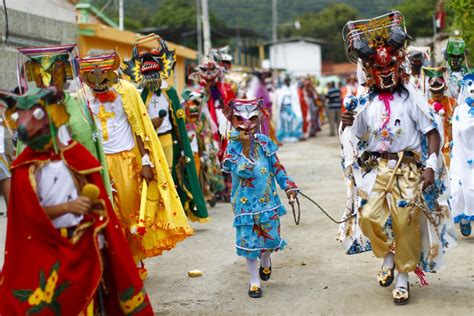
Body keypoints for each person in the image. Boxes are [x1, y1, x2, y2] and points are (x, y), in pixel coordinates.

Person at [0, 87, 153, 314]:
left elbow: (102, 210)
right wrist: (66, 207)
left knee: (93, 301)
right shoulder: (24, 169)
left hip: (85, 244)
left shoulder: (78, 157)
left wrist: (96, 218)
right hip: (48, 250)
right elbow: (26, 217)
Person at [339, 11, 456, 305]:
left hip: (407, 168)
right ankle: (388, 255)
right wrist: (347, 121)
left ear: (399, 64)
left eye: (390, 64)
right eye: (378, 67)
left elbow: (432, 131)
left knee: (404, 219)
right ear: (369, 70)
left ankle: (402, 278)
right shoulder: (365, 101)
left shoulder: (412, 96)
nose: (386, 72)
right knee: (368, 218)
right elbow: (357, 135)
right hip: (377, 168)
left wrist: (430, 166)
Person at [77, 52, 193, 279]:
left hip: (128, 161)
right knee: (108, 215)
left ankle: (136, 262)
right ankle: (111, 264)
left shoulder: (127, 91)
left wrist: (146, 161)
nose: (99, 82)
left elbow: (139, 127)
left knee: (132, 214)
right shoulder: (81, 96)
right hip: (99, 162)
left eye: (103, 76)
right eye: (93, 76)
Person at [122, 34, 208, 222]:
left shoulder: (170, 92)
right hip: (149, 142)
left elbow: (178, 120)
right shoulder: (139, 94)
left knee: (167, 174)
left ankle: (173, 214)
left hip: (168, 139)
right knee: (152, 176)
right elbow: (135, 121)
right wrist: (149, 124)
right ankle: (155, 214)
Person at [222, 98, 298, 298]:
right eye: (240, 118)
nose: (247, 124)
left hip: (268, 202)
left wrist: (288, 187)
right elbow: (243, 172)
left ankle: (266, 259)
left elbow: (277, 168)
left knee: (269, 241)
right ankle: (254, 281)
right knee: (249, 244)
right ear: (233, 119)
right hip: (245, 206)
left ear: (259, 119)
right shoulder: (231, 148)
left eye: (252, 118)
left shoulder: (265, 143)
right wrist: (245, 148)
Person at [16, 44, 113, 198]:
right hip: (43, 186)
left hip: (77, 185)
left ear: (65, 74)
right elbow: (25, 159)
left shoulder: (78, 107)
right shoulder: (30, 113)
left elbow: (89, 150)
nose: (48, 82)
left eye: (55, 73)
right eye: (41, 75)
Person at [450, 72, 474, 236]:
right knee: (461, 190)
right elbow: (460, 130)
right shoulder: (460, 110)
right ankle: (465, 217)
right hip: (463, 155)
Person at [423, 67, 457, 167]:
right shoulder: (426, 106)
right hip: (433, 150)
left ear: (444, 89)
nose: (437, 94)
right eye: (434, 92)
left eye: (439, 91)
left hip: (451, 149)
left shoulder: (453, 103)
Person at [275, 76, 303, 142]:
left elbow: (294, 100)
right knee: (284, 123)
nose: (287, 82)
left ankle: (291, 135)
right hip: (284, 108)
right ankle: (284, 136)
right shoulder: (282, 90)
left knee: (291, 122)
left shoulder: (292, 89)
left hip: (290, 108)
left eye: (288, 81)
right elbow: (280, 100)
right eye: (286, 81)